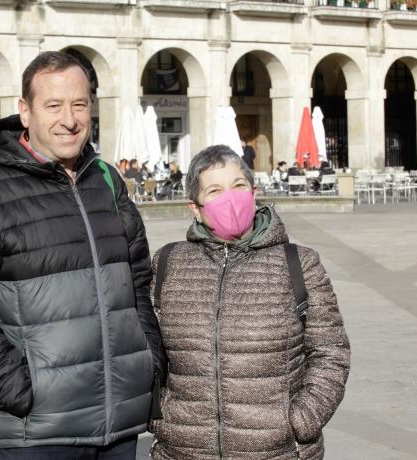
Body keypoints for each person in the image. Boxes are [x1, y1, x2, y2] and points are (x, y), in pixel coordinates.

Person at [0, 51, 167, 459]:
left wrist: (149, 363)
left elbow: (138, 281)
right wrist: (20, 390)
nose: (69, 119)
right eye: (53, 105)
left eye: (79, 104)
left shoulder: (106, 180)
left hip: (118, 424)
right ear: (25, 111)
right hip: (37, 433)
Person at [149, 145, 350, 460]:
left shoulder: (299, 263)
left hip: (277, 451)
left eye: (238, 186)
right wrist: (160, 415)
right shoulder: (167, 264)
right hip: (182, 450)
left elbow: (331, 354)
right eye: (214, 191)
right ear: (195, 207)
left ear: (254, 192)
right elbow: (147, 352)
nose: (229, 198)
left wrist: (301, 420)